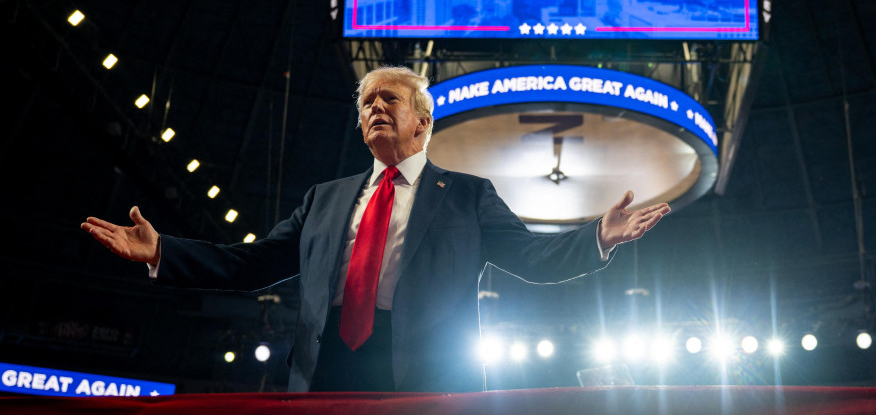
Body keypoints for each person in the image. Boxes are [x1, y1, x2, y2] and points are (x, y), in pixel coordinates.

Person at [81, 66, 670, 393]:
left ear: (423, 121)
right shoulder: (325, 199)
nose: (375, 108)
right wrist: (165, 251)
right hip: (323, 372)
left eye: (389, 98)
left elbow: (533, 258)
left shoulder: (466, 193)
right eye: (366, 102)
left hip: (428, 375)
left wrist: (599, 235)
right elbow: (251, 263)